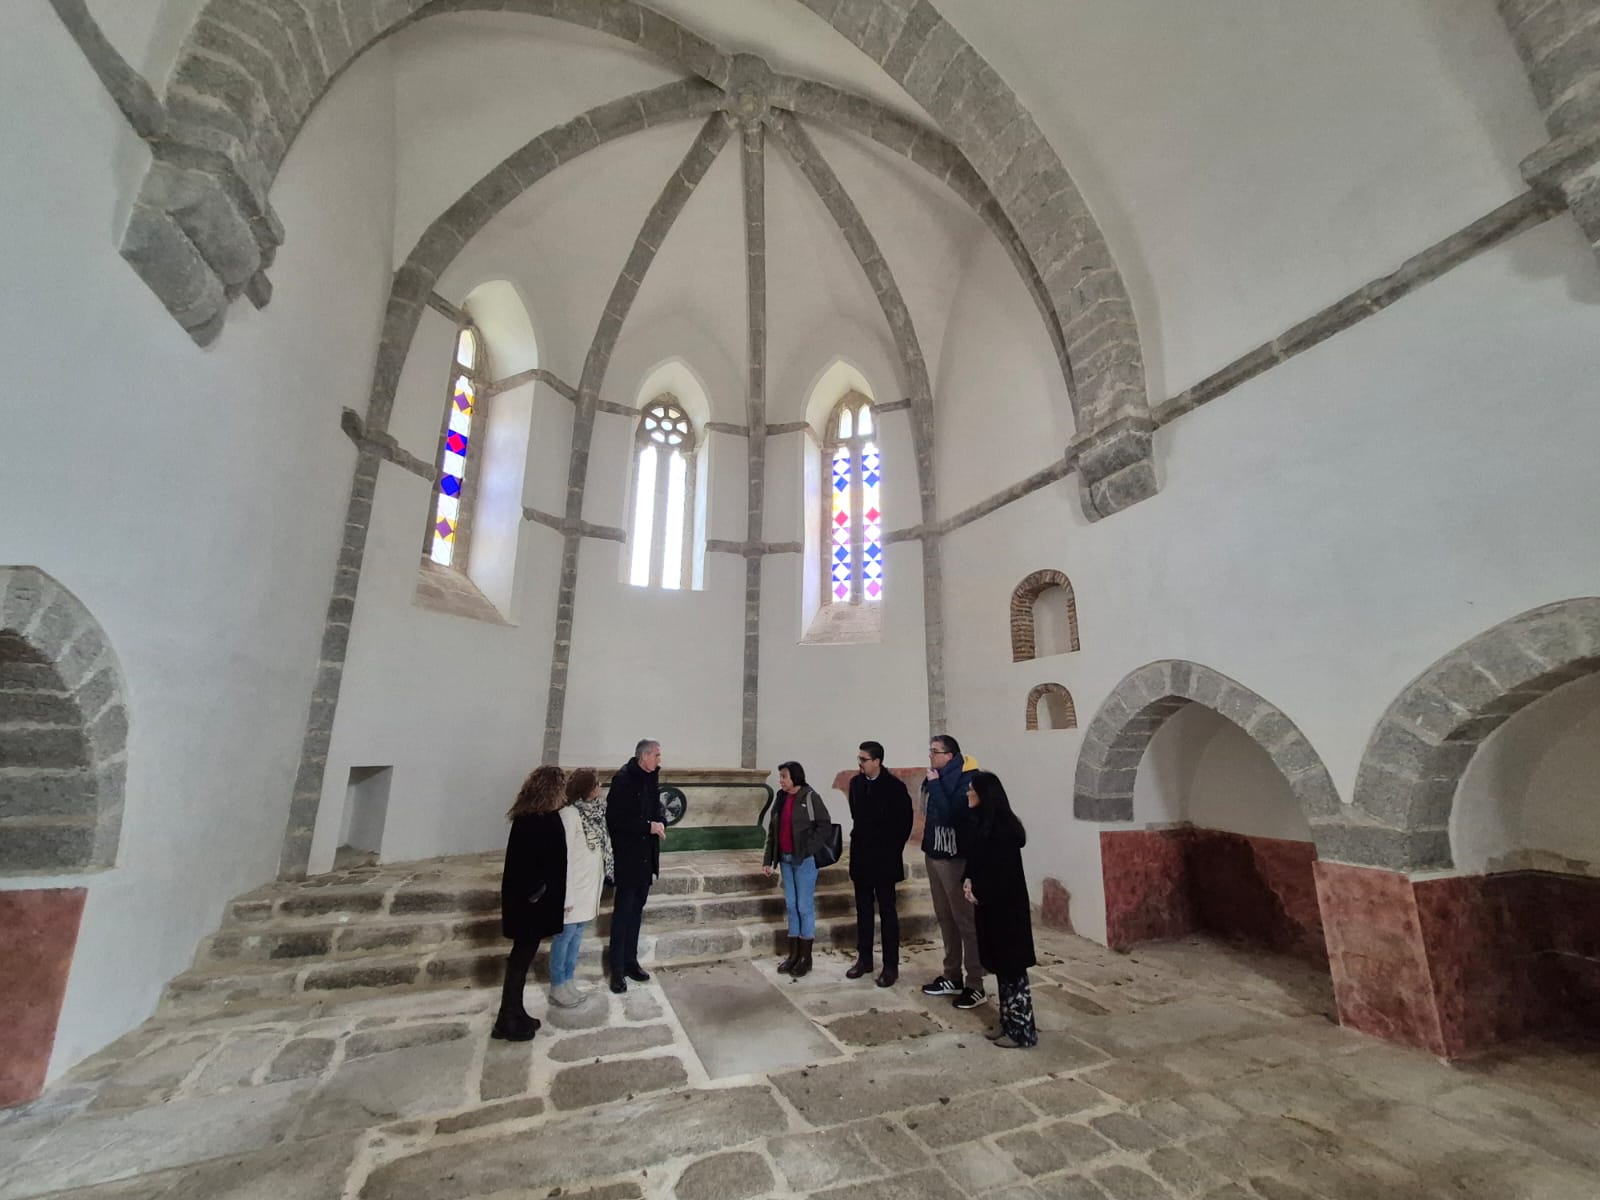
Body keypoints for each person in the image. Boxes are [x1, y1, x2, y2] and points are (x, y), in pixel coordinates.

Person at [962, 770, 1039, 1048]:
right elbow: (977, 861)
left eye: (971, 789)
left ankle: (1023, 1032)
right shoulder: (985, 823)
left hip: (1006, 912)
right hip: (993, 910)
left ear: (984, 795)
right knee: (1005, 973)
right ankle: (1009, 1023)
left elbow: (1001, 875)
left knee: (1013, 973)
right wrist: (969, 880)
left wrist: (978, 891)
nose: (967, 793)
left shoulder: (1002, 831)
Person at [493, 764, 567, 1041]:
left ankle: (515, 1011)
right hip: (530, 903)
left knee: (522, 958)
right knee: (520, 960)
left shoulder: (537, 816)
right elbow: (528, 864)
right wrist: (538, 891)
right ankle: (506, 1019)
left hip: (535, 902)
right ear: (551, 789)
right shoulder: (534, 820)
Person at [919, 733, 985, 1009]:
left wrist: (935, 784)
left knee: (965, 921)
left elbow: (952, 814)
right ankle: (952, 975)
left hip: (955, 857)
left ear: (949, 755)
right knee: (945, 918)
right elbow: (928, 813)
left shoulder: (969, 779)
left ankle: (975, 984)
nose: (930, 756)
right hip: (935, 852)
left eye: (934, 751)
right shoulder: (937, 776)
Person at [846, 740, 914, 987]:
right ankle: (864, 959)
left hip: (884, 859)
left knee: (887, 912)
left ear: (877, 761)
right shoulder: (856, 784)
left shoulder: (894, 787)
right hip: (862, 857)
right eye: (859, 759)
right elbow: (856, 815)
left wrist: (890, 849)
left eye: (864, 759)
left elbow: (904, 823)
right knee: (863, 910)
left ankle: (890, 966)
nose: (860, 763)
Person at [605, 739, 666, 993]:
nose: (659, 760)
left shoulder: (651, 778)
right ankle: (617, 969)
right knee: (623, 914)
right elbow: (616, 819)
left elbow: (656, 809)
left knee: (636, 911)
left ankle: (631, 962)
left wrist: (660, 821)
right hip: (628, 857)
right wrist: (647, 827)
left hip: (645, 857)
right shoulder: (623, 780)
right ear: (644, 756)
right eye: (657, 755)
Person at [762, 760, 833, 978]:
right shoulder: (781, 798)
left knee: (804, 906)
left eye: (784, 776)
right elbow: (773, 831)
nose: (781, 781)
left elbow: (824, 825)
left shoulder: (810, 797)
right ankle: (793, 955)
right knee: (791, 906)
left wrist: (808, 849)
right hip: (785, 859)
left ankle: (805, 957)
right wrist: (768, 860)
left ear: (795, 777)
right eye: (780, 777)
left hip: (804, 861)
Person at [548, 767, 611, 1009]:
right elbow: (561, 857)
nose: (600, 788)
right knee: (564, 937)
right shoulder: (569, 814)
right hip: (572, 888)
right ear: (586, 788)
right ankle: (557, 984)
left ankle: (568, 980)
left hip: (588, 888)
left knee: (576, 936)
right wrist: (566, 895)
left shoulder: (595, 812)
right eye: (596, 784)